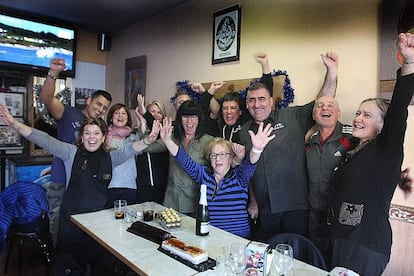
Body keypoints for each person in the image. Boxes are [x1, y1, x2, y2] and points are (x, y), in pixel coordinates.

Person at [0, 103, 160, 275]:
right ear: (81, 137)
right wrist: (14, 124)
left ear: (104, 136)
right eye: (87, 133)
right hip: (71, 224)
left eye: (96, 133)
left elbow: (130, 149)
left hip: (97, 225)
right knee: (67, 267)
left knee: (99, 267)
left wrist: (148, 140)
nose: (92, 138)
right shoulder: (71, 153)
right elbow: (45, 139)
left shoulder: (111, 158)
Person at [327, 33, 414, 275]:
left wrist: (408, 63)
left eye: (367, 115)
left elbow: (397, 111)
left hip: (365, 245)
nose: (357, 118)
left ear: (384, 125)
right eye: (357, 113)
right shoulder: (354, 152)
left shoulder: (387, 149)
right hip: (341, 240)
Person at [239, 52, 339, 242]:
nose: (257, 104)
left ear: (270, 101)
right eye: (251, 100)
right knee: (266, 255)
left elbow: (323, 103)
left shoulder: (292, 116)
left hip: (296, 206)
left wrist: (332, 72)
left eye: (261, 99)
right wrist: (252, 201)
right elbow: (246, 171)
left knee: (294, 256)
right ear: (247, 104)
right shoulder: (243, 131)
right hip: (265, 208)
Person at [160, 116, 275, 238]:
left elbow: (251, 163)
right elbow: (184, 159)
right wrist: (167, 141)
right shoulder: (204, 175)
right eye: (213, 155)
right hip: (211, 237)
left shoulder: (239, 177)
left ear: (231, 157)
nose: (217, 159)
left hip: (238, 239)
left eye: (222, 154)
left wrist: (257, 149)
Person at [40, 58, 112, 246]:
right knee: (57, 226)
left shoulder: (99, 127)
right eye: (98, 104)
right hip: (62, 182)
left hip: (84, 191)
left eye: (104, 108)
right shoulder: (69, 113)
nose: (100, 109)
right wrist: (53, 74)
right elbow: (46, 99)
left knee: (81, 233)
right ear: (89, 100)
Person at [305, 96, 358, 262]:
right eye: (320, 106)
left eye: (330, 105)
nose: (325, 108)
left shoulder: (353, 136)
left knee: (338, 264)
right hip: (313, 219)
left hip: (340, 221)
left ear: (338, 113)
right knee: (315, 263)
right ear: (314, 115)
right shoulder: (309, 141)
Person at [162, 100, 214, 216]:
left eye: (194, 116)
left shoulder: (208, 141)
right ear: (180, 119)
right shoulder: (173, 138)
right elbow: (150, 146)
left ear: (199, 119)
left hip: (193, 204)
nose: (189, 121)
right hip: (171, 201)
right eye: (185, 116)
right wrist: (144, 126)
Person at [134, 96, 169, 204]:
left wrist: (145, 114)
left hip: (162, 185)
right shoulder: (138, 131)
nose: (156, 115)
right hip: (142, 185)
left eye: (159, 112)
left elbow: (146, 146)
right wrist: (143, 123)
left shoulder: (166, 133)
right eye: (152, 111)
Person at [106, 103, 140, 204]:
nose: (120, 115)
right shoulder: (104, 136)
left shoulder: (133, 137)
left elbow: (145, 142)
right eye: (117, 113)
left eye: (124, 113)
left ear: (128, 118)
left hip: (129, 185)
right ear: (111, 118)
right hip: (110, 185)